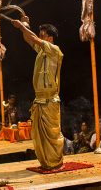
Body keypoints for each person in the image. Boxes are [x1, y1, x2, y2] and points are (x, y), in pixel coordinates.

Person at [11, 19, 64, 170]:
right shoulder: (42, 51)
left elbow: (34, 38)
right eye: (40, 35)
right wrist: (24, 27)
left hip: (50, 100)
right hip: (40, 100)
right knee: (40, 134)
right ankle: (46, 163)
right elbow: (29, 39)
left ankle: (55, 162)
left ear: (50, 38)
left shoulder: (54, 49)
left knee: (52, 134)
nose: (40, 38)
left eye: (43, 35)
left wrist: (22, 26)